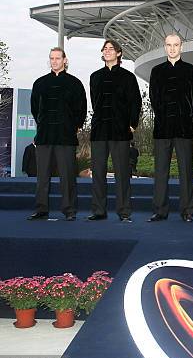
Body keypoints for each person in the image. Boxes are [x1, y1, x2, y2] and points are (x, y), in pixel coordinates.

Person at [28, 47, 87, 221]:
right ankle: (41, 209)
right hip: (45, 136)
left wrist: (74, 126)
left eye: (57, 58)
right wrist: (42, 124)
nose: (54, 61)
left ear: (65, 60)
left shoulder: (75, 83)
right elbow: (34, 108)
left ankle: (69, 210)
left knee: (67, 176)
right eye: (51, 58)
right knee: (42, 177)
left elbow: (81, 108)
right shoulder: (39, 83)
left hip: (66, 137)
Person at [148, 34, 193, 222]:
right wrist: (163, 116)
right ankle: (160, 210)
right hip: (162, 128)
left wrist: (188, 118)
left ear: (181, 47)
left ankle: (187, 211)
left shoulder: (190, 70)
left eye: (175, 45)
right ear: (165, 47)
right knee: (161, 171)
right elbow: (154, 98)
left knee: (186, 171)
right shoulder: (156, 71)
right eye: (169, 45)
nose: (172, 48)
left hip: (184, 128)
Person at [88, 39, 142, 223]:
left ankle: (124, 211)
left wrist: (132, 124)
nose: (108, 51)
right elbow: (95, 101)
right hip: (99, 130)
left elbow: (136, 102)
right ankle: (99, 211)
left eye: (111, 49)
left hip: (120, 130)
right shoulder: (95, 77)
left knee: (122, 173)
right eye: (105, 49)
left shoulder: (128, 77)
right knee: (98, 172)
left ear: (119, 53)